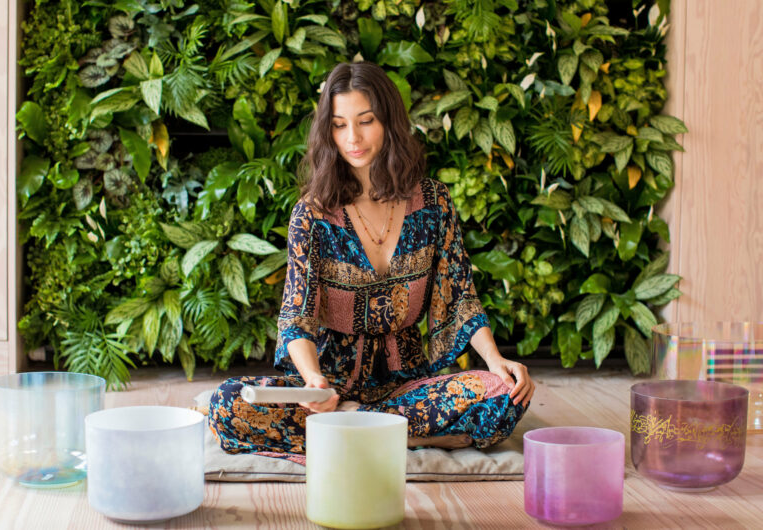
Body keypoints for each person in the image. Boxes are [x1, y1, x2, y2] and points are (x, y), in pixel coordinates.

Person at [209, 62, 535, 457]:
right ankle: (397, 433)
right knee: (228, 403)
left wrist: (496, 360)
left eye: (366, 121)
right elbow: (296, 316)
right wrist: (312, 382)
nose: (353, 138)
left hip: (406, 386)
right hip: (328, 389)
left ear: (390, 121)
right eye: (339, 125)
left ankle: (355, 424)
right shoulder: (312, 215)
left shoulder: (433, 202)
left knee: (504, 393)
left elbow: (459, 295)